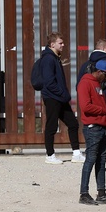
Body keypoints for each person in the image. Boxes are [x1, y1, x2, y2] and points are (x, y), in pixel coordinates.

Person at [77, 59, 106, 205]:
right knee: (91, 159)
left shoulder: (98, 84)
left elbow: (97, 105)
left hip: (102, 126)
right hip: (93, 127)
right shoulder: (85, 83)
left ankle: (101, 193)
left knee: (101, 161)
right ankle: (84, 194)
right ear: (99, 72)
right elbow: (86, 107)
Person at [36, 32, 84, 164]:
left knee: (73, 124)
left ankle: (76, 153)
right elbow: (49, 82)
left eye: (63, 42)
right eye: (60, 43)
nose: (63, 45)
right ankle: (50, 155)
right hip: (52, 97)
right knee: (51, 126)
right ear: (52, 44)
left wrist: (63, 95)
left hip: (60, 98)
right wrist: (62, 94)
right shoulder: (48, 59)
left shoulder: (55, 57)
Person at [77, 39, 106, 154]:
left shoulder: (85, 65)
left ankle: (93, 149)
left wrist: (92, 97)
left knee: (92, 126)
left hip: (90, 102)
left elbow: (79, 84)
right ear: (104, 48)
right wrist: (101, 96)